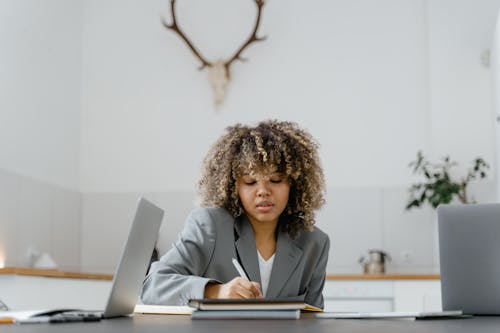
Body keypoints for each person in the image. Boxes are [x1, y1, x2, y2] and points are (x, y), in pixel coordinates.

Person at [141, 120, 330, 308]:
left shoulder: (314, 243)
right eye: (250, 182)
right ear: (234, 187)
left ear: (294, 184)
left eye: (275, 179)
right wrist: (214, 292)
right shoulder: (210, 226)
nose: (263, 191)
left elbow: (314, 318)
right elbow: (152, 286)